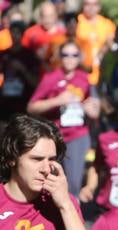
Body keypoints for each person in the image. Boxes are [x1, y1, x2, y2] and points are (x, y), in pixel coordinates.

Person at [27, 42, 101, 197]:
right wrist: (57, 100)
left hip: (78, 135)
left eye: (74, 55)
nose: (69, 59)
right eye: (65, 55)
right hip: (54, 136)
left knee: (73, 182)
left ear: (79, 58)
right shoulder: (50, 78)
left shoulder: (85, 79)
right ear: (60, 57)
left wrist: (90, 108)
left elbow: (95, 108)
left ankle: (72, 214)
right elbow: (32, 107)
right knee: (50, 179)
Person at [0, 18, 42, 128]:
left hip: (22, 101)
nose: (15, 35)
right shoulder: (2, 54)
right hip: (4, 101)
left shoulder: (29, 56)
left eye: (18, 32)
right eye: (12, 32)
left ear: (23, 34)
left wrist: (21, 69)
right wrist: (0, 69)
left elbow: (35, 82)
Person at [75, 0, 115, 83]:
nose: (91, 7)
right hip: (80, 73)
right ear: (82, 5)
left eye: (94, 4)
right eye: (87, 4)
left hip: (102, 74)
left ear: (99, 6)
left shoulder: (108, 25)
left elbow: (113, 47)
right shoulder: (76, 22)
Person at [21, 0, 67, 69]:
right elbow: (23, 54)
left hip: (56, 74)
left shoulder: (64, 34)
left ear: (56, 16)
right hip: (35, 73)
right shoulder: (30, 33)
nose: (48, 20)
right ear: (40, 17)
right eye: (45, 16)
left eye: (50, 16)